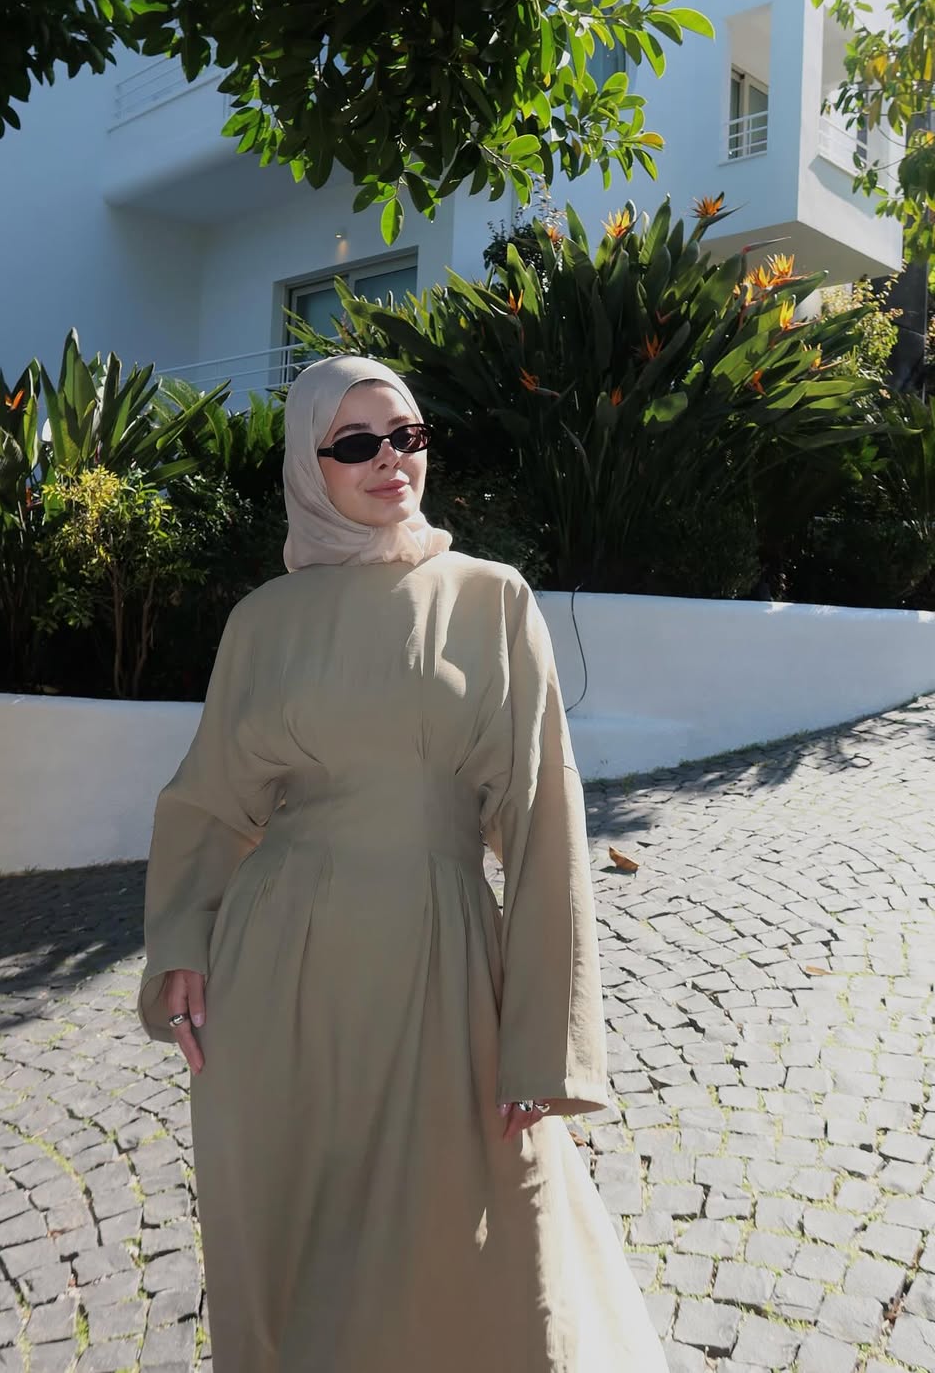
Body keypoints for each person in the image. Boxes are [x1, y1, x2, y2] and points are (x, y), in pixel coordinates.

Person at [138, 355, 666, 1372]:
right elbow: (207, 800)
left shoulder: (491, 600)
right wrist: (183, 943)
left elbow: (543, 816)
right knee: (295, 1259)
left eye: (407, 436)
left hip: (441, 971)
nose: (390, 460)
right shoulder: (262, 621)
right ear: (310, 465)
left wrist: (543, 1042)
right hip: (279, 989)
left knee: (477, 1253)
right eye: (355, 443)